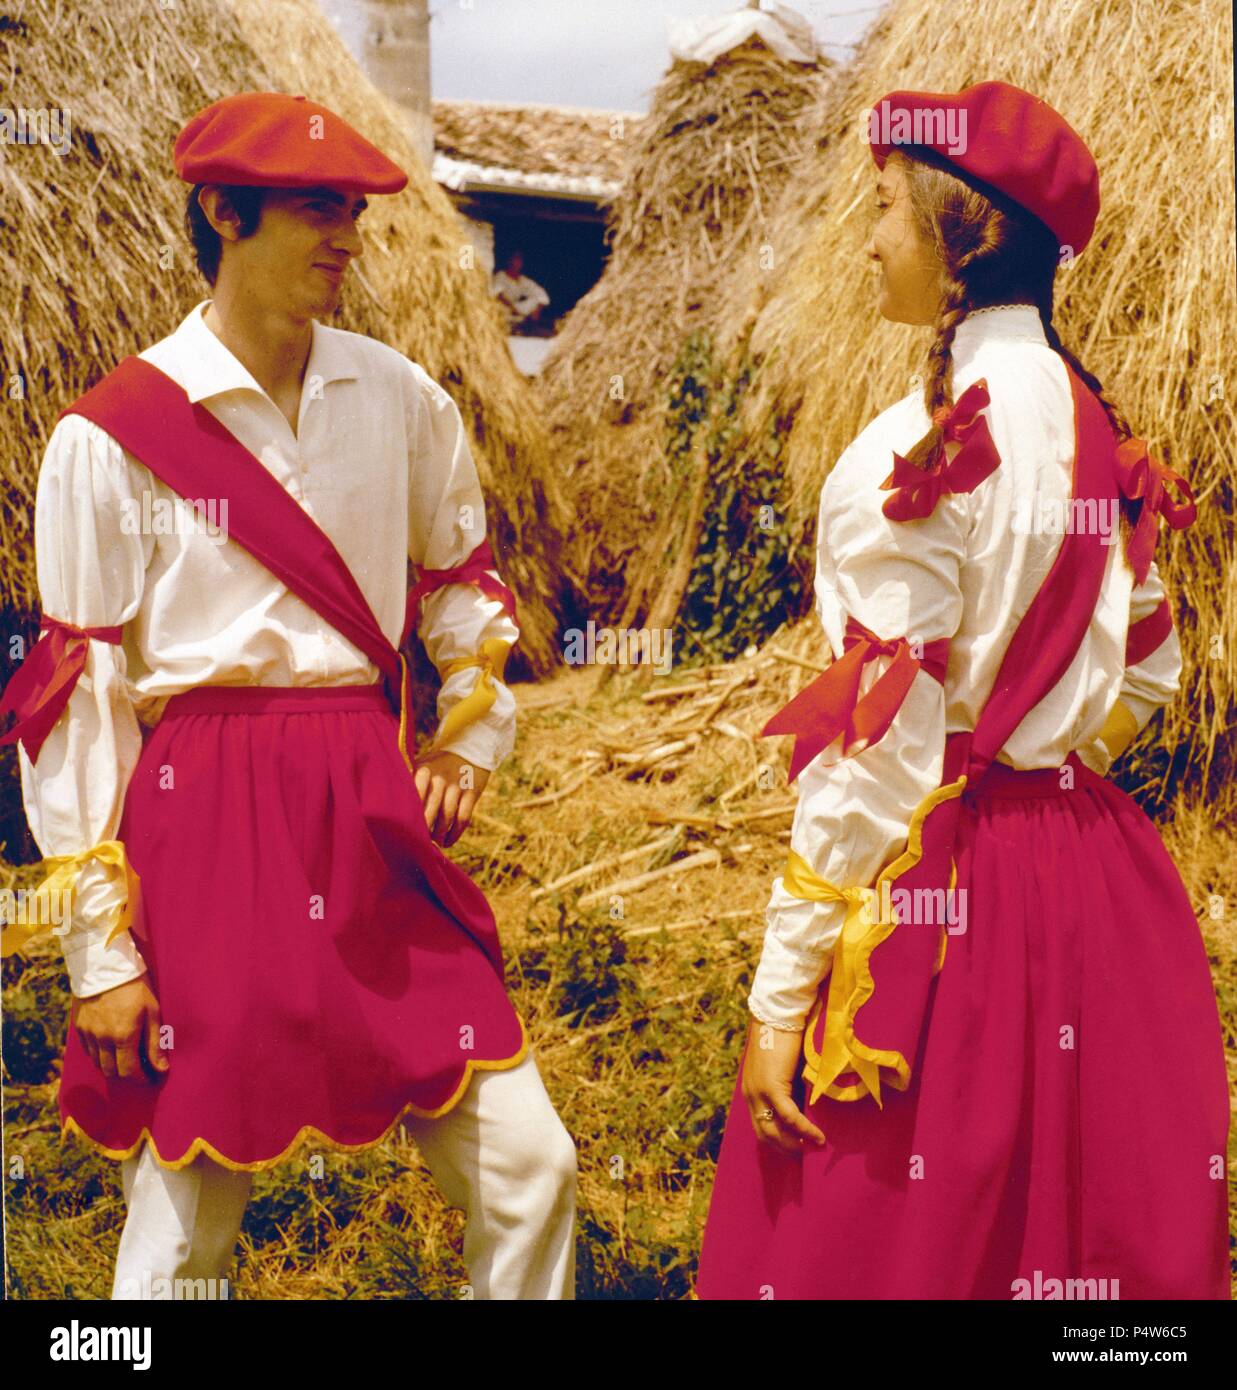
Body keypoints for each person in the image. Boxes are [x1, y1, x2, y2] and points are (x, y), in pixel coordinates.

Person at [0, 91, 576, 1300]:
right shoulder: (106, 438)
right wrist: (99, 954)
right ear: (222, 209)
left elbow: (464, 592)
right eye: (318, 208)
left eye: (352, 213)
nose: (346, 237)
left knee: (532, 1166)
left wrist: (472, 732)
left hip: (367, 811)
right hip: (203, 824)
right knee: (186, 1230)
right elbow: (80, 702)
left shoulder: (403, 399)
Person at [695, 81, 1229, 1300]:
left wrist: (781, 999)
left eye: (884, 206)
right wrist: (1041, 738)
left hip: (945, 899)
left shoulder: (903, 463)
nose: (868, 237)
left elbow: (875, 763)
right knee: (1076, 1226)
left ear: (951, 233)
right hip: (1098, 882)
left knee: (886, 1238)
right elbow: (1149, 675)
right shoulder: (1106, 435)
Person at [491, 250, 550, 334]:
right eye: (515, 259)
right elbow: (497, 295)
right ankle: (518, 325)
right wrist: (513, 309)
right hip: (504, 309)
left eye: (519, 260)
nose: (517, 263)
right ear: (509, 261)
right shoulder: (500, 276)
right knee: (504, 314)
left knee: (534, 300)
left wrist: (537, 310)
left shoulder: (522, 280)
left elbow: (542, 295)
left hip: (517, 311)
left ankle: (523, 324)